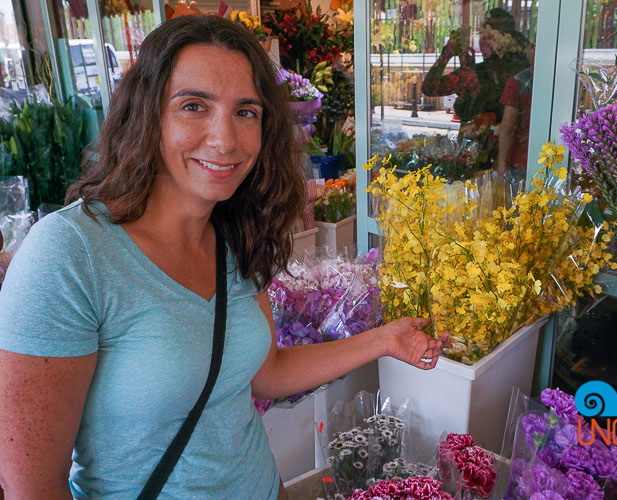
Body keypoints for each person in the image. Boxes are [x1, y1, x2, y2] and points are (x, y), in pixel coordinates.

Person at [0, 15, 449, 499]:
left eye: (246, 112)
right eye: (194, 106)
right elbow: (33, 487)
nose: (226, 139)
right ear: (146, 114)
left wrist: (382, 340)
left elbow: (267, 372)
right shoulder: (70, 255)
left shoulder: (234, 235)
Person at [421, 8, 529, 171]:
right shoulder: (472, 74)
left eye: (491, 37)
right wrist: (447, 54)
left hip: (510, 163)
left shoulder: (523, 75)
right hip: (470, 163)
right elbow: (429, 88)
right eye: (481, 36)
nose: (484, 42)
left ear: (507, 39)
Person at [496, 42, 536, 184]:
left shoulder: (518, 81)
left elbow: (508, 127)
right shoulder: (563, 80)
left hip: (522, 160)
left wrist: (501, 163)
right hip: (555, 158)